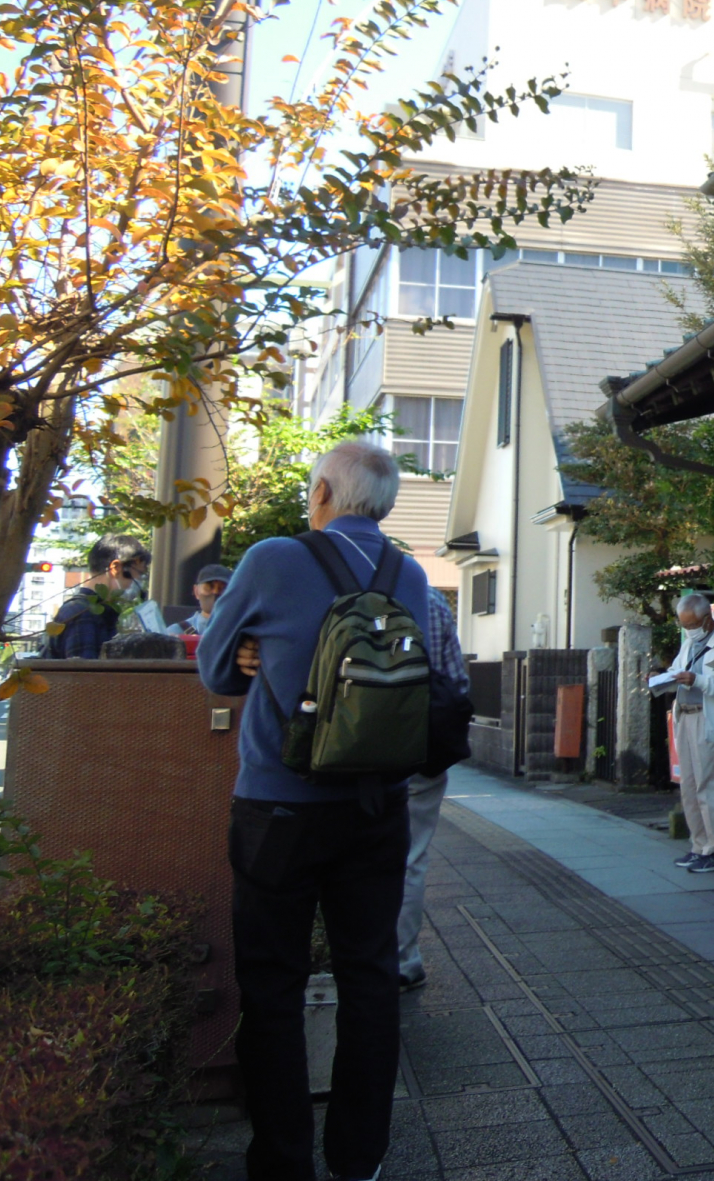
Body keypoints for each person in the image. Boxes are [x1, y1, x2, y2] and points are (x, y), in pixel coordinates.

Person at [199, 441, 431, 1181]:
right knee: (370, 975)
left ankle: (283, 1160)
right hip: (377, 806)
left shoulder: (272, 558)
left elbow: (212, 669)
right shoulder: (411, 572)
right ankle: (359, 1157)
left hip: (280, 806)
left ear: (325, 491)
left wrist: (248, 658)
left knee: (272, 984)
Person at [398, 587, 473, 992]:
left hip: (345, 746)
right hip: (417, 747)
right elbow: (455, 680)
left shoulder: (330, 589)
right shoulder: (429, 599)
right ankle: (402, 959)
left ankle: (343, 954)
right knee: (410, 857)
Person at [661, 593, 714, 873]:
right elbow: (676, 669)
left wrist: (699, 680)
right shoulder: (690, 644)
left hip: (709, 720)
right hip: (685, 717)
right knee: (690, 785)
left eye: (692, 624)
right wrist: (665, 677)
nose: (688, 630)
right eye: (684, 625)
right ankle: (699, 845)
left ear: (708, 619)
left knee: (711, 786)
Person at [45, 533, 151, 659]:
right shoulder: (82, 615)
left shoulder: (90, 611)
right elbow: (86, 675)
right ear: (116, 568)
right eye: (139, 574)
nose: (139, 582)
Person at [186, 562, 235, 636]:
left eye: (222, 588)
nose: (215, 592)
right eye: (209, 587)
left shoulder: (240, 631)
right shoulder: (177, 631)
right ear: (196, 591)